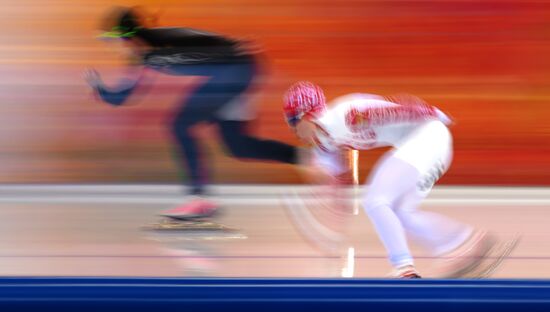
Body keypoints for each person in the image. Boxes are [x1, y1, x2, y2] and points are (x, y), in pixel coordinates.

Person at [84, 6, 302, 219]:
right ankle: (307, 156)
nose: (112, 48)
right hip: (241, 69)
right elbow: (126, 95)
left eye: (111, 41)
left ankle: (199, 199)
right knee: (238, 145)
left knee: (179, 124)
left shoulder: (163, 43)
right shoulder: (147, 56)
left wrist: (236, 51)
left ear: (126, 37)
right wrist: (100, 90)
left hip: (237, 70)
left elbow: (211, 45)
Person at [282, 81, 495, 278]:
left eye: (292, 120)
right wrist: (335, 229)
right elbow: (340, 184)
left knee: (376, 201)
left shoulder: (347, 115)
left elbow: (402, 108)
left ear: (307, 114)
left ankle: (404, 268)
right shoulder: (323, 143)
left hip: (429, 135)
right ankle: (465, 242)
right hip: (421, 145)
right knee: (402, 213)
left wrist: (438, 114)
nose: (291, 128)